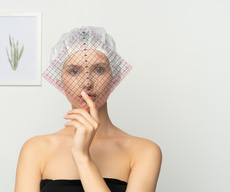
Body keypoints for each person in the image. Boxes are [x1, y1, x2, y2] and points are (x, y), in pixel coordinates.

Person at [14, 26, 162, 192]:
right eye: (74, 71)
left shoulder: (144, 151)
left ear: (114, 76)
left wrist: (82, 156)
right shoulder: (35, 149)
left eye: (99, 69)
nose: (87, 82)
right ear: (60, 79)